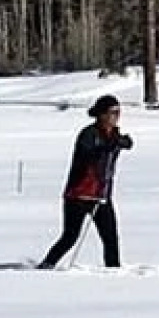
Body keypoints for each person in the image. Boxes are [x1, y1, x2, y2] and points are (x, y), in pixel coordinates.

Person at [37, 95, 134, 269]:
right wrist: (108, 147)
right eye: (113, 112)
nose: (117, 116)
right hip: (79, 194)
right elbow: (87, 157)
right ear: (102, 114)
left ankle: (113, 270)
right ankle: (47, 264)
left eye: (119, 112)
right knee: (70, 236)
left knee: (110, 236)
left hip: (101, 194)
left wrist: (122, 143)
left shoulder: (114, 134)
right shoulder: (89, 133)